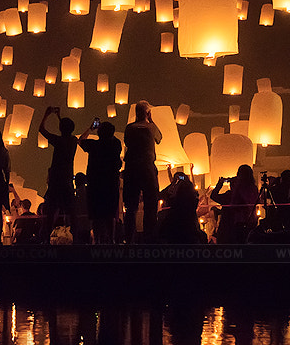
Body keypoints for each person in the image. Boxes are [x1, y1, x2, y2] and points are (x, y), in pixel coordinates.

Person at [121, 102, 163, 242]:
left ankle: (129, 238)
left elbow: (127, 142)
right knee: (150, 205)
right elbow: (159, 138)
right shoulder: (151, 127)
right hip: (147, 169)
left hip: (132, 169)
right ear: (147, 113)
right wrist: (151, 121)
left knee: (131, 207)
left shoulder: (129, 128)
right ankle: (149, 238)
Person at [78, 119, 123, 244]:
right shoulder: (116, 145)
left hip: (95, 185)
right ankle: (111, 240)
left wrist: (91, 128)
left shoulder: (93, 145)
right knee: (110, 214)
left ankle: (97, 241)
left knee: (97, 215)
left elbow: (80, 140)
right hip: (111, 183)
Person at [38, 105, 79, 238]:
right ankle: (76, 239)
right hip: (67, 181)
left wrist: (46, 114)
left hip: (56, 182)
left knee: (50, 213)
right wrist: (59, 117)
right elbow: (67, 130)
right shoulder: (73, 141)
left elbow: (41, 130)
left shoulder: (58, 140)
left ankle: (45, 239)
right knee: (72, 214)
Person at [211, 164, 258, 244]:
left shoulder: (230, 196)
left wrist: (219, 185)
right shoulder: (253, 189)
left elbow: (213, 196)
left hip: (229, 229)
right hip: (249, 224)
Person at [158, 172, 202, 243]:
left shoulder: (175, 202)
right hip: (191, 231)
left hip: (174, 230)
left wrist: (173, 184)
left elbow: (160, 195)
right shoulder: (192, 201)